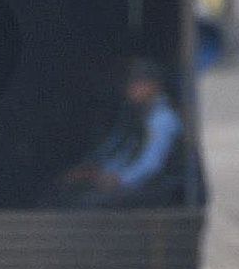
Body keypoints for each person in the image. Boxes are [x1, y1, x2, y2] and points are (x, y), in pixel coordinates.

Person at [56, 58, 185, 208]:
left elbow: (151, 164)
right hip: (139, 183)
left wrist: (119, 179)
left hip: (159, 186)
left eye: (136, 83)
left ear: (152, 86)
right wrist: (97, 172)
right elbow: (125, 152)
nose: (130, 89)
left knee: (91, 204)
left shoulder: (163, 118)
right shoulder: (138, 115)